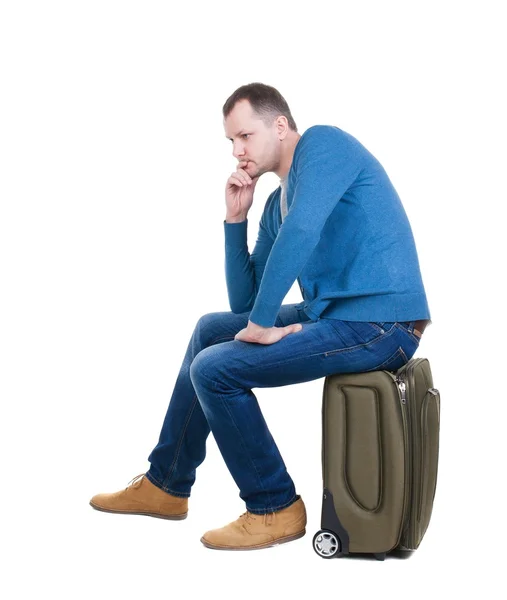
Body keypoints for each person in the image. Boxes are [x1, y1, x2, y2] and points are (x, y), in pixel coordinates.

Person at [90, 82, 432, 551]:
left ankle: (274, 505)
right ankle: (167, 484)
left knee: (215, 369)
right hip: (339, 318)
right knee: (210, 330)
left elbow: (305, 230)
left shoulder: (324, 145)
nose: (237, 151)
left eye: (245, 136)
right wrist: (236, 220)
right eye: (230, 141)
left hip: (383, 324)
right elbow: (245, 306)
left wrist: (261, 326)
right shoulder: (277, 203)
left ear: (280, 125)